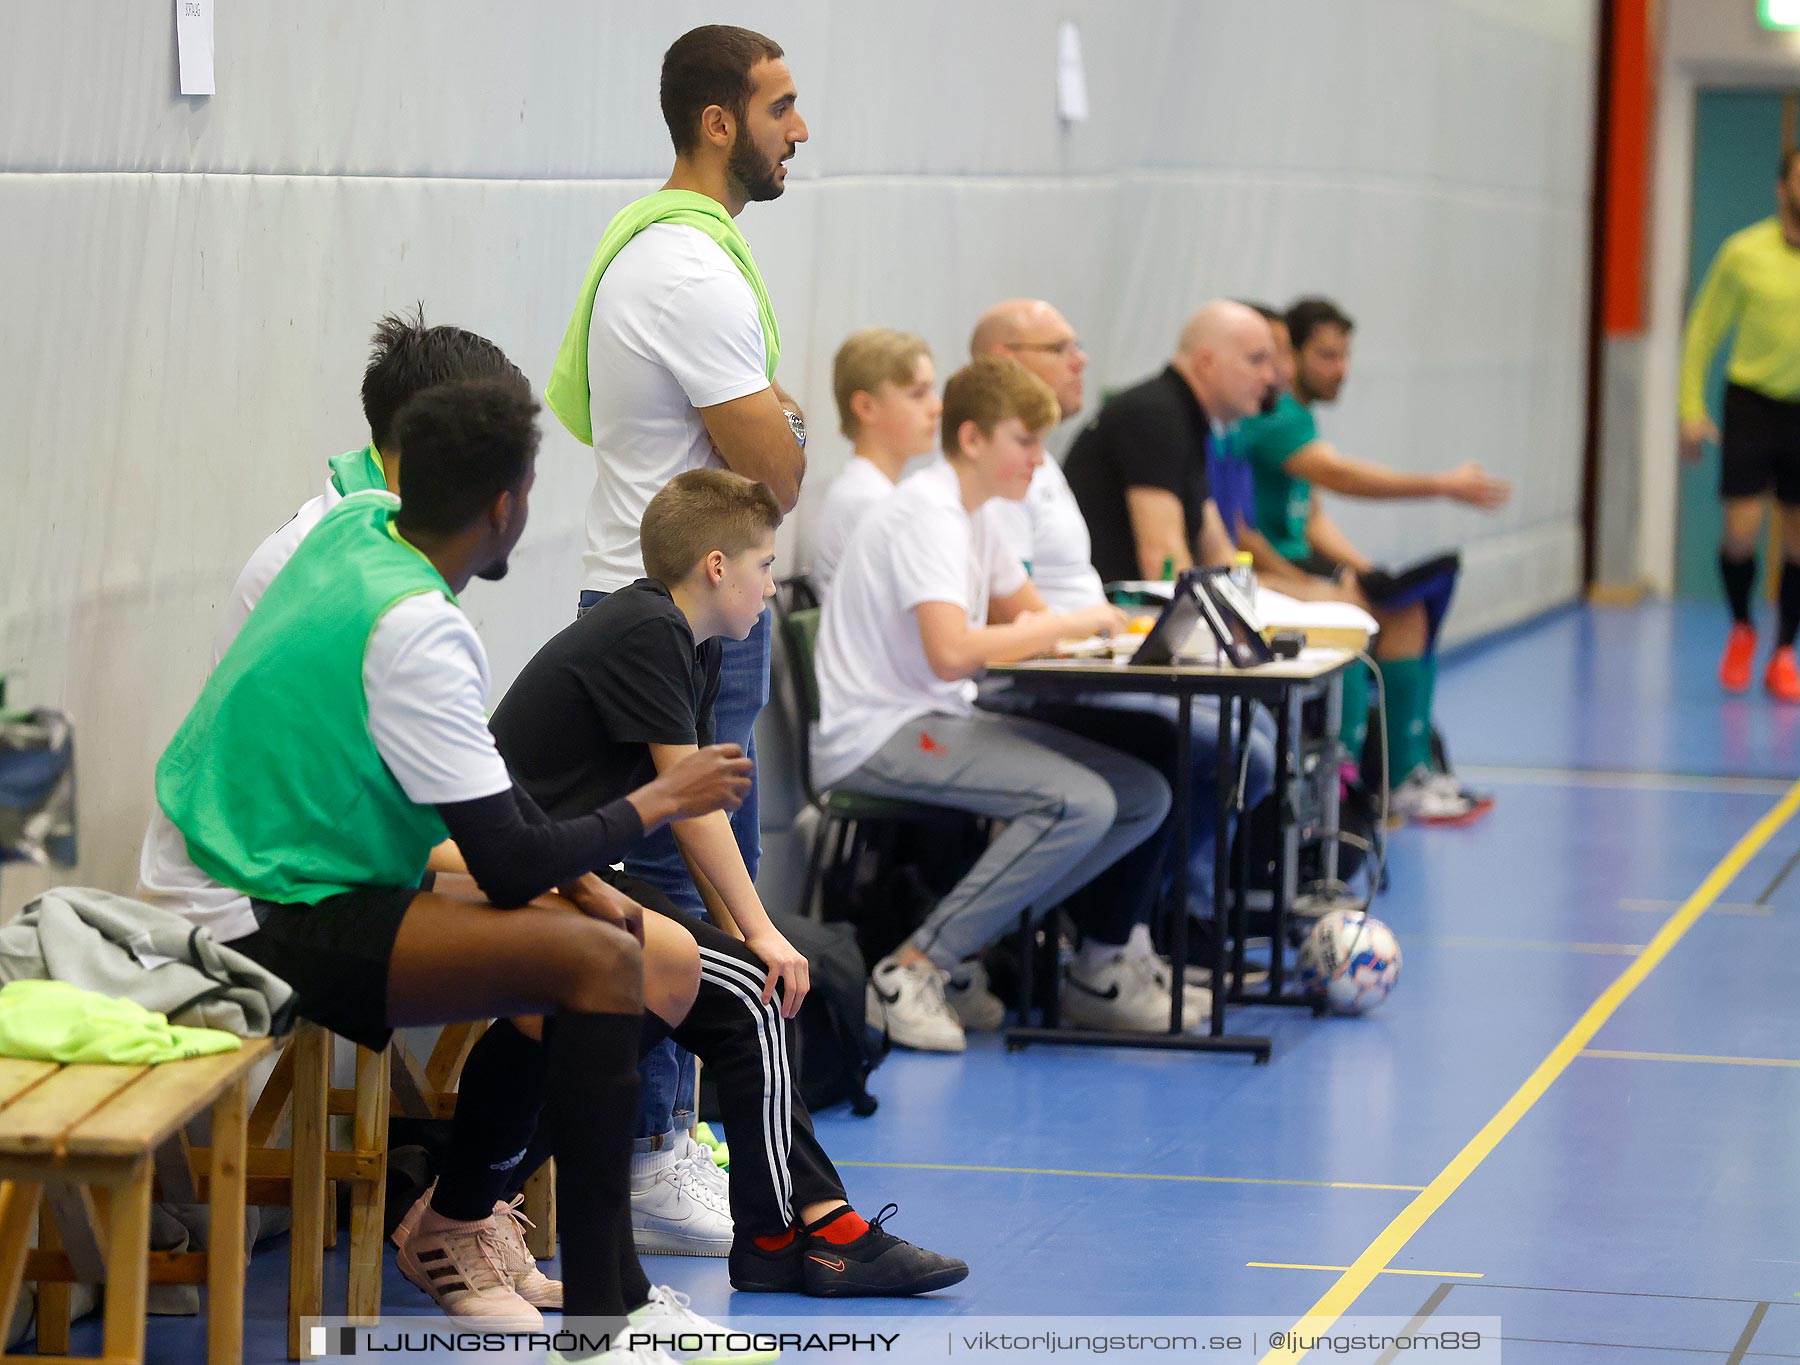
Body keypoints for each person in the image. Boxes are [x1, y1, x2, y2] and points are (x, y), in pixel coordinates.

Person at [149, 377, 763, 1356]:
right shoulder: (421, 633)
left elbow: (500, 834)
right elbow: (512, 861)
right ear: (507, 507)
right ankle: (610, 1305)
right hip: (261, 907)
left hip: (294, 860)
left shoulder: (352, 529)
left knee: (617, 941)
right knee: (604, 964)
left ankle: (461, 1218)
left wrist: (592, 880)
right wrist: (652, 805)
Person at [490, 468, 967, 1296]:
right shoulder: (646, 627)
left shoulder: (693, 646)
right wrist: (761, 937)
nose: (773, 587)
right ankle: (802, 1233)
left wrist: (751, 937)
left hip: (570, 872)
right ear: (717, 566)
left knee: (750, 989)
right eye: (766, 566)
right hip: (518, 872)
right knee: (749, 988)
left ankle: (798, 1230)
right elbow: (692, 811)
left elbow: (696, 807)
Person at [543, 23, 810, 1249]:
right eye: (780, 108)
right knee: (666, 886)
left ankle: (678, 1131)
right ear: (719, 120)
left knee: (709, 869)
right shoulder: (689, 270)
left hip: (696, 606)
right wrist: (785, 429)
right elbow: (776, 469)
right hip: (674, 618)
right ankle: (653, 1152)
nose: (799, 130)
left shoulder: (676, 252)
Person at [814, 356, 1176, 1052]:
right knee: (1085, 802)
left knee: (1141, 793)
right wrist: (1074, 623)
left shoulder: (979, 514)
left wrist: (1114, 633)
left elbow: (1027, 613)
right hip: (879, 733)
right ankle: (913, 969)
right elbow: (954, 651)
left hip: (937, 715)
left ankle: (965, 952)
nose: (1039, 461)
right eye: (1026, 441)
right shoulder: (931, 513)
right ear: (974, 439)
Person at [972, 298, 1274, 963]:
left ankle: (1132, 926)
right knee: (1219, 745)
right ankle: (1114, 934)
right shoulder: (997, 474)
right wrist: (1100, 632)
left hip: (1079, 654)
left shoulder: (1040, 463)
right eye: (1063, 348)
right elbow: (1013, 611)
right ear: (1005, 362)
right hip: (1035, 680)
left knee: (1246, 734)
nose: (1082, 360)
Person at [1234, 297, 1508, 823]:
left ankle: (1405, 777)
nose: (1341, 370)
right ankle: (1346, 787)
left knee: (1404, 608)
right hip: (1264, 572)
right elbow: (1338, 478)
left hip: (1296, 564)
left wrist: (1363, 568)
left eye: (1344, 356)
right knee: (1354, 617)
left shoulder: (1296, 414)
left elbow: (1311, 513)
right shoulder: (1271, 419)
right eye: (1326, 356)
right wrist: (1441, 484)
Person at [1680, 149, 1800, 702]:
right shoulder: (1742, 253)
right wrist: (1690, 408)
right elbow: (1703, 331)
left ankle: (1782, 653)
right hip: (1751, 402)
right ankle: (1743, 627)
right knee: (1741, 534)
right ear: (1782, 189)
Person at [1063, 300, 1274, 584]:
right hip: (1114, 610)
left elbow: (1215, 545)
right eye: (1256, 360)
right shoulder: (1154, 415)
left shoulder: (1186, 416)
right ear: (1206, 362)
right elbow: (1162, 558)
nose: (1269, 377)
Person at [810, 328, 941, 596]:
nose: (936, 407)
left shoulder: (874, 492)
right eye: (918, 394)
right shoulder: (867, 500)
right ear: (866, 407)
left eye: (932, 391)